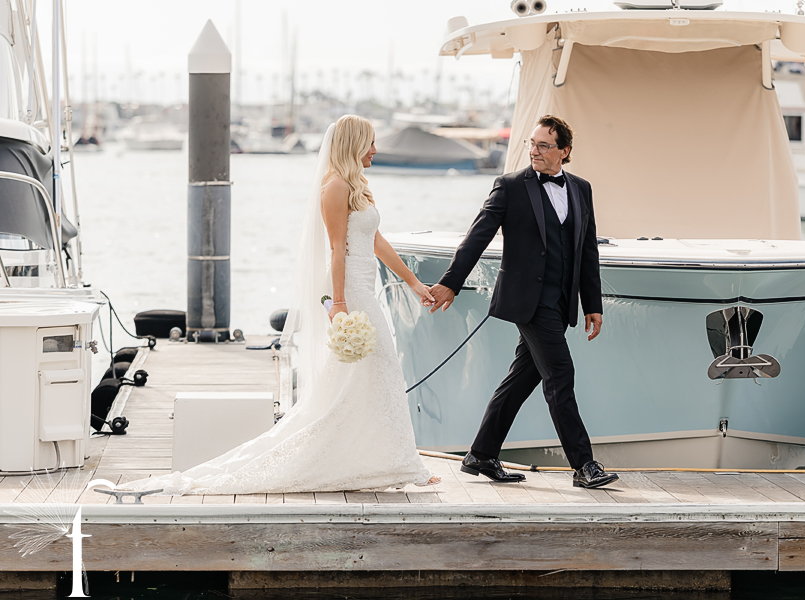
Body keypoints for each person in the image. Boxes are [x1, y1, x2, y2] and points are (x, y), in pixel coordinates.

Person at [121, 115, 439, 495]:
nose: (375, 149)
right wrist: (339, 304)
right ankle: (392, 462)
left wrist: (415, 283)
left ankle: (392, 461)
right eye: (370, 142)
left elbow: (377, 241)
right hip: (350, 293)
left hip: (365, 290)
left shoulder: (358, 186)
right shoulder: (334, 187)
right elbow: (338, 250)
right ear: (354, 144)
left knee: (374, 377)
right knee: (370, 372)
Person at [429, 115, 618, 489]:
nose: (534, 150)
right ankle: (584, 466)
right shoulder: (511, 186)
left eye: (544, 145)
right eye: (532, 143)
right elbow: (477, 236)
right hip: (528, 301)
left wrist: (591, 303)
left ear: (564, 151)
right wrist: (451, 282)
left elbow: (587, 251)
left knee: (521, 379)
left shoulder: (581, 189)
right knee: (560, 375)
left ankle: (481, 454)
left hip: (561, 302)